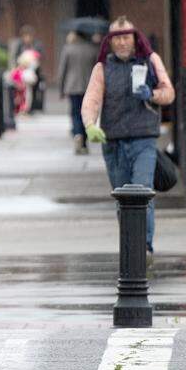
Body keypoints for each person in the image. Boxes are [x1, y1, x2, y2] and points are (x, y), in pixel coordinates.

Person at [81, 17, 175, 253]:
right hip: (114, 143)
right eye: (117, 39)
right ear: (110, 43)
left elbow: (169, 92)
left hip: (143, 139)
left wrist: (151, 94)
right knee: (123, 199)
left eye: (126, 37)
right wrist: (90, 124)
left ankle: (144, 248)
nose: (122, 43)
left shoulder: (150, 61)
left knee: (142, 194)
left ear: (135, 39)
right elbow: (91, 99)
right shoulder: (102, 68)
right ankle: (130, 247)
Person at [58, 30, 100, 155]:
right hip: (88, 86)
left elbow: (62, 71)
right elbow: (97, 68)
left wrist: (61, 89)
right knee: (87, 113)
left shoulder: (68, 49)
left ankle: (77, 134)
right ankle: (84, 141)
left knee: (75, 113)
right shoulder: (92, 49)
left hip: (72, 87)